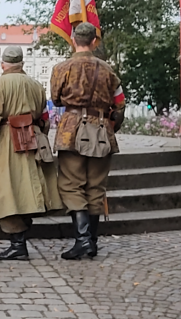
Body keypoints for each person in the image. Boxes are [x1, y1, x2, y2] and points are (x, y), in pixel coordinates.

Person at [0, 46, 63, 260]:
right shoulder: (35, 85)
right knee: (26, 189)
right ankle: (20, 241)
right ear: (22, 63)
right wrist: (39, 135)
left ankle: (18, 244)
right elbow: (44, 117)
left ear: (3, 64)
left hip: (8, 140)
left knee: (6, 190)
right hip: (32, 138)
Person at [50, 22, 125, 260]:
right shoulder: (108, 70)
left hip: (71, 131)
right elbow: (120, 104)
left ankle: (83, 241)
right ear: (94, 42)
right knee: (95, 187)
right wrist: (112, 126)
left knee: (71, 185)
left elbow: (55, 98)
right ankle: (91, 241)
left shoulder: (62, 68)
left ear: (73, 40)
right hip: (102, 130)